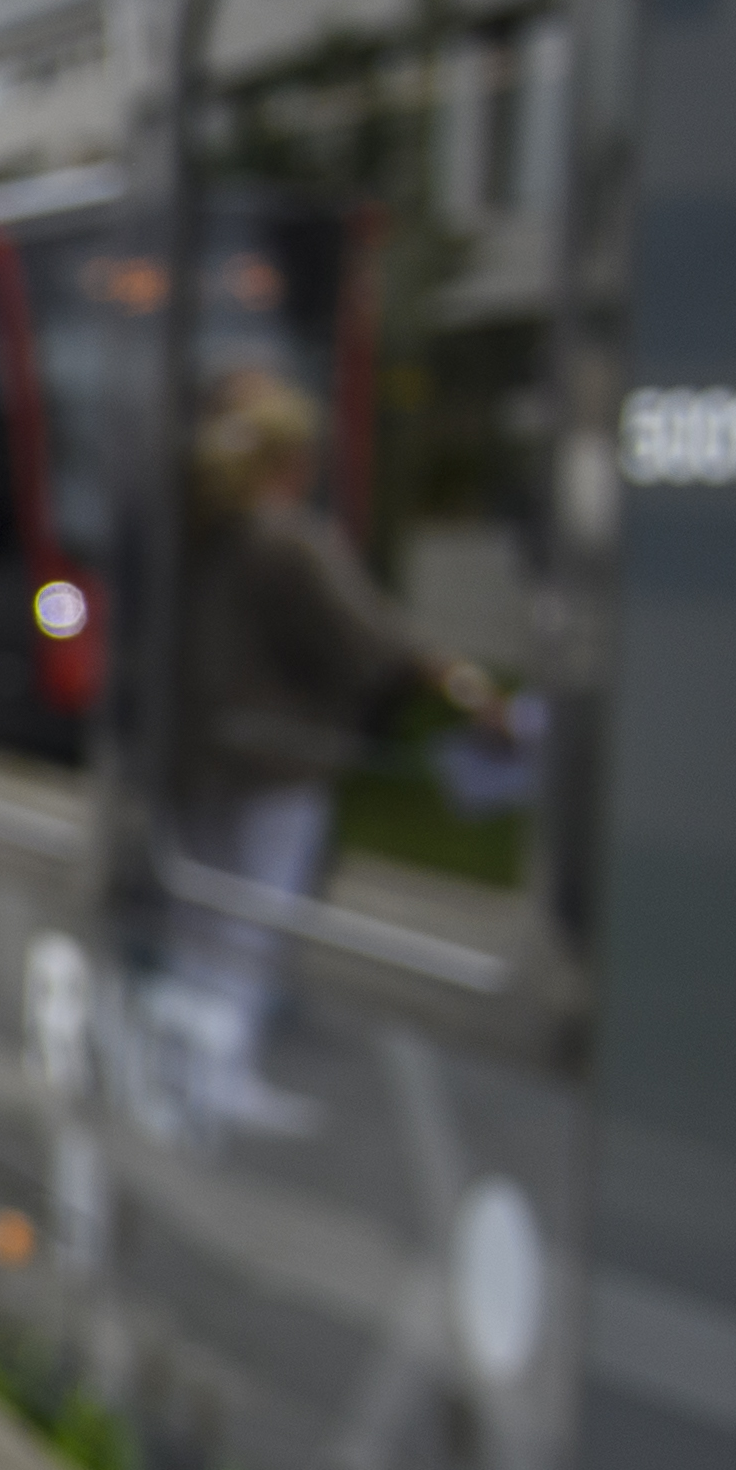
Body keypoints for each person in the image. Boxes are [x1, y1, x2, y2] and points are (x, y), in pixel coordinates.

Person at [159, 362, 500, 1128]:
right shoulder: (289, 541)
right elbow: (371, 638)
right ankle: (219, 1079)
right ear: (292, 460)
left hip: (204, 755)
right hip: (276, 762)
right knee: (252, 924)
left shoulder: (206, 532)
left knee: (201, 921)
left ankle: (180, 1073)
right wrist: (463, 688)